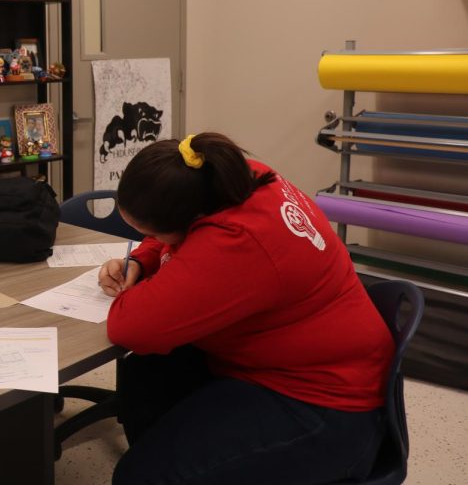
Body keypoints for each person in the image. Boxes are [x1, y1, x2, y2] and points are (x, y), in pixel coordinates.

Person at [97, 133, 394, 485]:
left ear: (191, 221)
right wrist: (144, 260)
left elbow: (130, 328)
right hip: (292, 362)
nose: (155, 241)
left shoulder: (238, 241)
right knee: (147, 372)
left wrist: (145, 277)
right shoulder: (236, 178)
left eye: (157, 234)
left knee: (140, 476)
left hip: (324, 407)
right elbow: (172, 241)